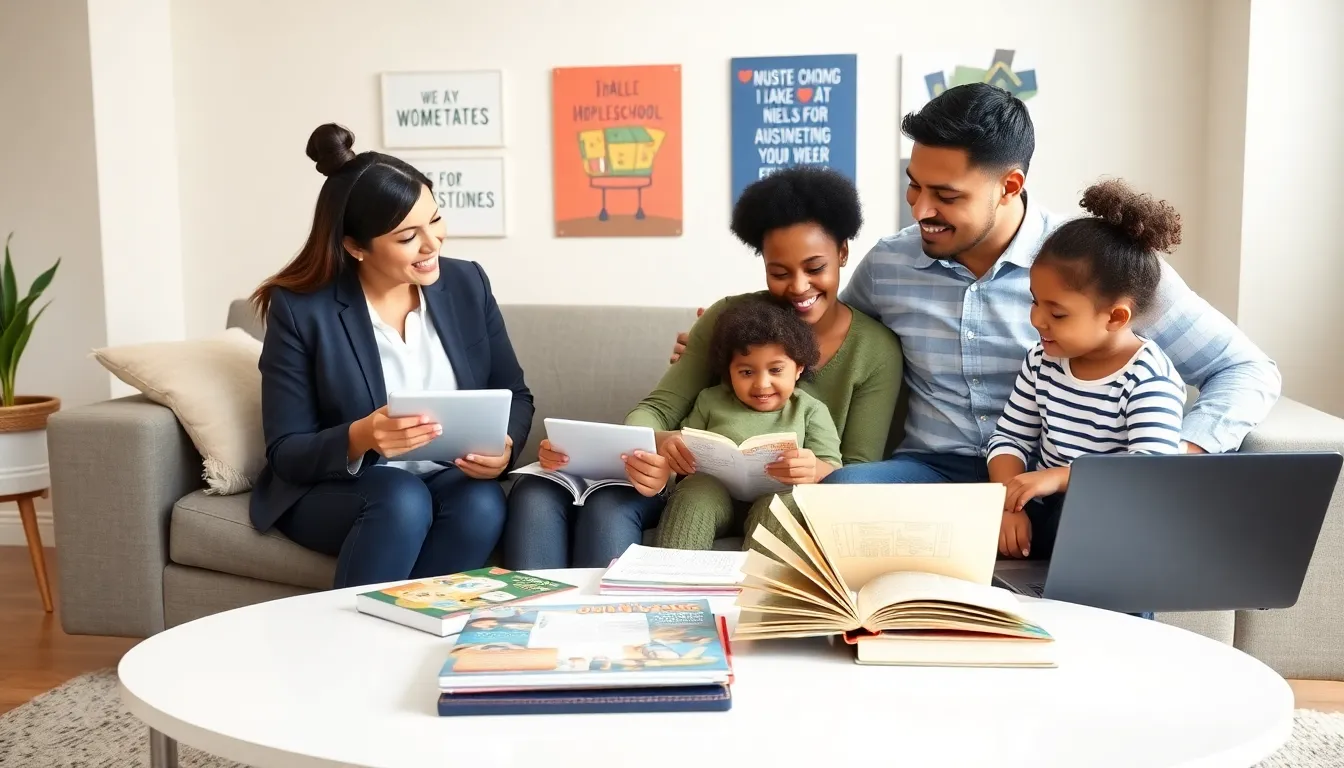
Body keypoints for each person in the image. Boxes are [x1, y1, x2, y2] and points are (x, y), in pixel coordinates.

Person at [672, 84, 1280, 481]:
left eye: (946, 195)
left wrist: (1176, 457)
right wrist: (717, 344)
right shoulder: (888, 265)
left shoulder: (1098, 266)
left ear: (1009, 186)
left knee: (1111, 547)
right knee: (842, 490)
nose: (920, 209)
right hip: (929, 470)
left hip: (1052, 476)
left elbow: (1248, 371)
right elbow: (823, 333)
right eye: (914, 184)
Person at [501, 165, 902, 568]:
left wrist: (816, 469)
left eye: (815, 268)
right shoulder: (729, 318)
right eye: (779, 272)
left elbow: (856, 473)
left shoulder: (875, 350)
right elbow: (657, 409)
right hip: (705, 488)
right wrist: (658, 444)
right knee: (610, 504)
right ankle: (646, 613)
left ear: (843, 253)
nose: (798, 287)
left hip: (793, 497)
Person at [248, 123, 533, 590]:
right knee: (401, 497)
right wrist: (362, 436)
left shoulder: (467, 284)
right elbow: (287, 452)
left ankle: (416, 636)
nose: (433, 244)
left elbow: (516, 394)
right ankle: (354, 645)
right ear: (356, 247)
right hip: (335, 489)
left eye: (435, 220)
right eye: (407, 237)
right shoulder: (302, 310)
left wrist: (503, 448)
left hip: (443, 479)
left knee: (482, 502)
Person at [986, 178, 1188, 562]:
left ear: (1115, 317)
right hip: (1047, 514)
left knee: (1085, 517)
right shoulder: (1041, 361)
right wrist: (1008, 504)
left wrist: (1058, 477)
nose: (1037, 320)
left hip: (1113, 527)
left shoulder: (1147, 378)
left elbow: (1151, 471)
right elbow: (1009, 439)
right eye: (1035, 302)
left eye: (1057, 312)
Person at [657, 294, 842, 550]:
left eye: (776, 370)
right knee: (695, 492)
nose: (761, 384)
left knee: (783, 504)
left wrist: (815, 468)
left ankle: (759, 585)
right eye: (746, 372)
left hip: (775, 498)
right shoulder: (710, 400)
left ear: (798, 368)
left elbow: (835, 470)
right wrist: (677, 457)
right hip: (713, 498)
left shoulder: (810, 411)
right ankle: (672, 579)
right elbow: (686, 452)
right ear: (728, 371)